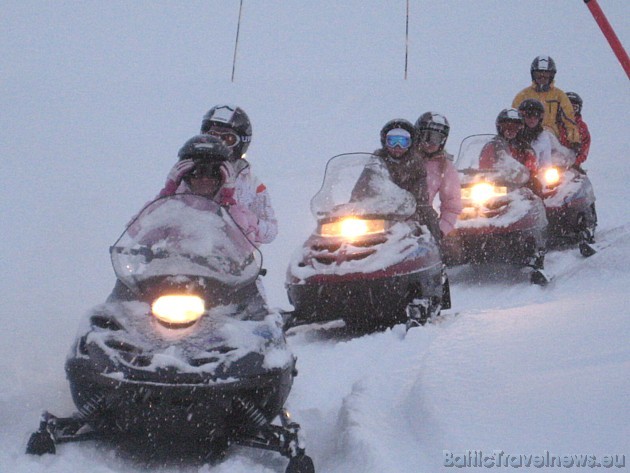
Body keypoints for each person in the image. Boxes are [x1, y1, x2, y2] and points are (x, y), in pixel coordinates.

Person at [161, 104, 278, 245]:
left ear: (241, 143)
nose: (219, 142)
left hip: (233, 256)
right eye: (213, 135)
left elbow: (271, 231)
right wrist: (167, 195)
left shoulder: (251, 184)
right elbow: (160, 219)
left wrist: (249, 222)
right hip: (184, 252)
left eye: (228, 139)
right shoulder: (190, 173)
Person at [512, 55, 581, 153]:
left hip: (551, 138)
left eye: (546, 75)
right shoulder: (523, 95)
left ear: (551, 76)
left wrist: (574, 141)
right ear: (533, 75)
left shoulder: (559, 96)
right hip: (527, 137)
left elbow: (569, 120)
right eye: (539, 74)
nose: (542, 78)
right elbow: (514, 117)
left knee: (547, 140)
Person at [412, 112, 462, 238]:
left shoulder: (444, 166)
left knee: (451, 249)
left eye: (437, 138)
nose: (432, 143)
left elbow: (452, 204)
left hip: (422, 223)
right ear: (418, 135)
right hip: (392, 221)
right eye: (427, 136)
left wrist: (441, 230)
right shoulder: (404, 159)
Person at [480, 108, 538, 176]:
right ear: (500, 127)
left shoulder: (526, 149)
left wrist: (529, 176)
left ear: (520, 129)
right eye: (506, 126)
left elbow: (531, 167)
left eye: (515, 127)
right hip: (495, 182)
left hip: (520, 184)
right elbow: (484, 167)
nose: (511, 130)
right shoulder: (492, 146)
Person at [559, 92, 591, 171]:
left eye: (574, 108)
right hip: (551, 163)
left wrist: (576, 162)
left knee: (579, 181)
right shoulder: (555, 124)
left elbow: (585, 147)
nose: (571, 111)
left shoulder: (581, 127)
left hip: (571, 166)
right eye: (568, 107)